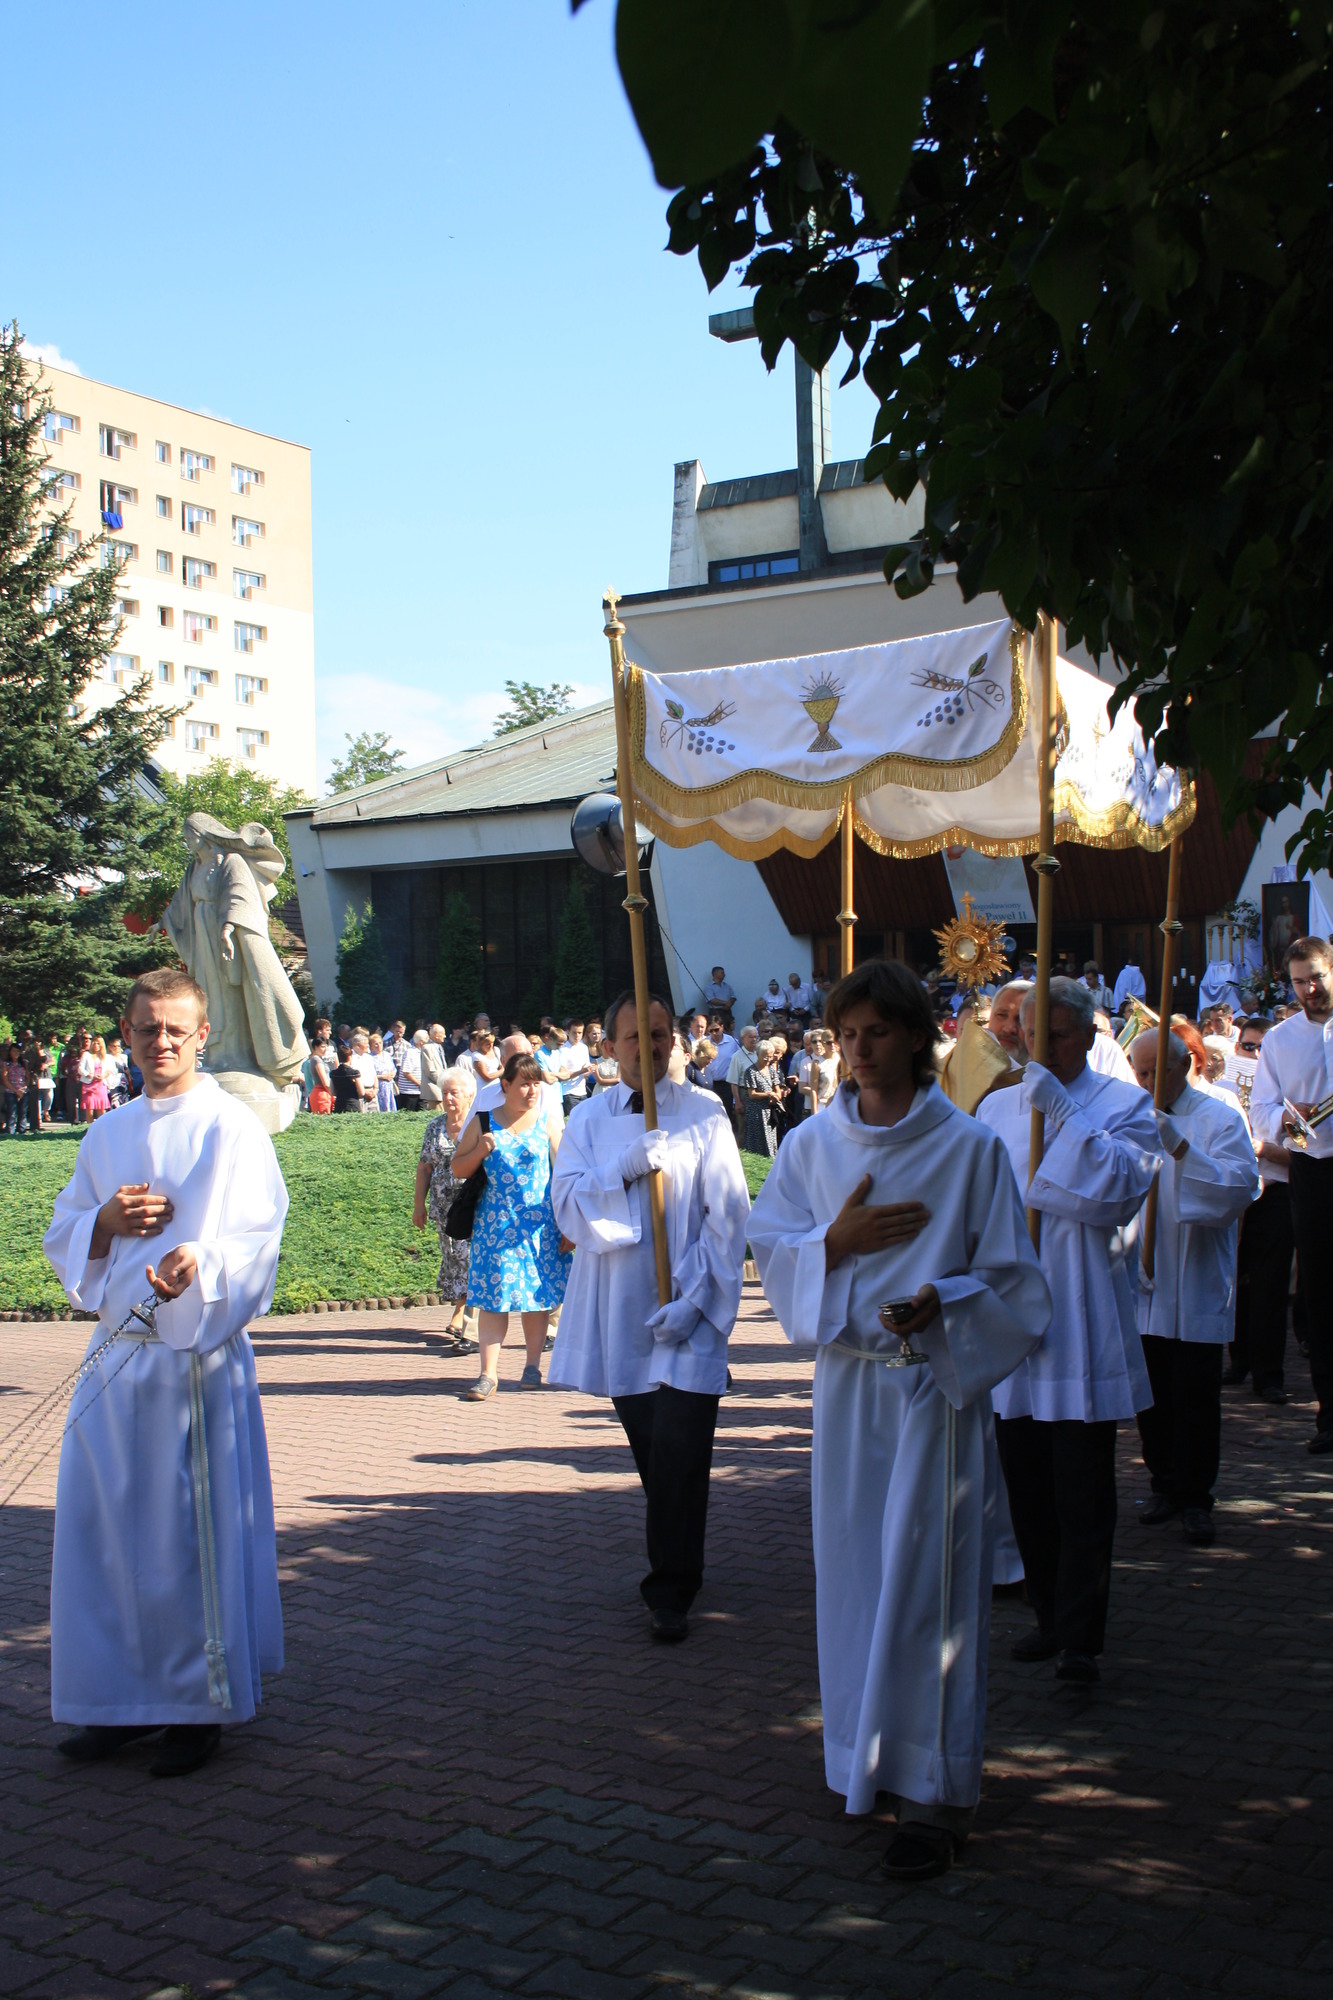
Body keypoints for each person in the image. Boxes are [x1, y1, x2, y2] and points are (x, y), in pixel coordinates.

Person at [749, 960, 1051, 1881]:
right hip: (848, 1391)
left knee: (931, 1586)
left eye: (876, 1032)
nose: (858, 1051)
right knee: (853, 1582)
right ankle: (863, 1760)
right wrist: (828, 1243)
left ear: (917, 1036)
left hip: (932, 1393)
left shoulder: (969, 1150)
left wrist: (942, 1303)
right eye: (846, 1036)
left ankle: (936, 1793)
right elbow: (771, 1245)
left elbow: (1014, 1285)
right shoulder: (811, 1145)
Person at [42, 966, 287, 1777]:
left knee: (187, 1537)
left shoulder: (231, 1129)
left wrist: (201, 1263)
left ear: (202, 1033)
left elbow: (258, 1238)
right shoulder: (105, 1133)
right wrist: (104, 1223)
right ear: (127, 1031)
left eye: (177, 1029)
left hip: (193, 1362)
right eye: (147, 1028)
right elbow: (65, 1230)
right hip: (115, 1361)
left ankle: (195, 1705)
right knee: (102, 1534)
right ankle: (115, 1702)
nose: (162, 1042)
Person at [549, 990, 750, 1642]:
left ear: (675, 1042)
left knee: (681, 1447)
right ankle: (678, 1551)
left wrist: (698, 1300)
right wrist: (623, 1167)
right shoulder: (587, 1119)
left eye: (660, 1033)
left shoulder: (705, 1112)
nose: (650, 1046)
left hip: (689, 1304)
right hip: (622, 1312)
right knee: (656, 1452)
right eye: (635, 1036)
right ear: (610, 1047)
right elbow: (566, 1205)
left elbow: (728, 1213)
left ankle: (670, 1588)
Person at [977, 976, 1161, 1683]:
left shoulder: (1123, 1104)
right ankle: (1048, 1614)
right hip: (1013, 1314)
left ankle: (1082, 1635)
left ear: (1087, 1034)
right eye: (1032, 1033)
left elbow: (1115, 1192)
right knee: (1026, 1484)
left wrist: (1063, 1113)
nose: (1043, 1046)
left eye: (1058, 1033)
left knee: (1081, 1489)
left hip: (1079, 1311)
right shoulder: (996, 1107)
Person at [1126, 1028, 1259, 1543]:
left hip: (1197, 1273)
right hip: (1148, 1274)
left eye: (1154, 1071)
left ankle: (1196, 1496)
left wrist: (1182, 1148)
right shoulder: (1132, 1115)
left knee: (1196, 1396)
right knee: (1153, 1393)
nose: (1145, 1082)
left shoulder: (1219, 1116)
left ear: (1183, 1067)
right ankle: (1163, 1482)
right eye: (1139, 1072)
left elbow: (1237, 1188)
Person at [1250, 936, 1333, 1453]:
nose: (1309, 990)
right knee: (1321, 1292)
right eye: (1300, 981)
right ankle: (1330, 1416)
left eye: (1317, 977)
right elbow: (1261, 1110)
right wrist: (1289, 1117)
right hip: (1314, 1171)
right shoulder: (1280, 1040)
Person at [451, 1051, 571, 1400]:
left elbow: (565, 1174)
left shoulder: (548, 1122)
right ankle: (487, 1374)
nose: (532, 1091)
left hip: (539, 1228)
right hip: (494, 1227)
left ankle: (532, 1366)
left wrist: (568, 1225)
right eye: (524, 1084)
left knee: (536, 1299)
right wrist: (479, 1151)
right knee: (493, 1300)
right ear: (505, 1085)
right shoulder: (483, 1122)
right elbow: (458, 1167)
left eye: (536, 1084)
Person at [1225, 1017, 1294, 1401]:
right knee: (1236, 1281)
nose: (1254, 1054)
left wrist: (1263, 1148)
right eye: (1248, 1047)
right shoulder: (1225, 1090)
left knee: (1270, 1286)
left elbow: (1305, 1157)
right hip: (1236, 1194)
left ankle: (1268, 1375)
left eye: (1262, 1048)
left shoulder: (1292, 1092)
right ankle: (1238, 1361)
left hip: (1275, 1193)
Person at [413, 1066, 477, 1342]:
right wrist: (419, 1205)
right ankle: (462, 1309)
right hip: (443, 1207)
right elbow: (425, 1167)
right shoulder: (434, 1127)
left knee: (467, 1256)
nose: (449, 1098)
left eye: (455, 1093)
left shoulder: (478, 1124)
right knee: (451, 1257)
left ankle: (462, 1314)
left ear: (469, 1095)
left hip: (472, 1205)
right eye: (445, 1092)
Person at [737, 1039, 781, 1157]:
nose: (768, 1059)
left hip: (769, 1112)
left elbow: (777, 1088)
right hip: (756, 1112)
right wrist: (769, 1094)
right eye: (765, 1056)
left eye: (770, 1056)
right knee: (756, 1142)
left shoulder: (771, 1069)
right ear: (757, 1054)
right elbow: (752, 1094)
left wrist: (777, 1095)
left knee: (771, 1141)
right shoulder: (751, 1071)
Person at [726, 1024, 759, 1122]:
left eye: (756, 1037)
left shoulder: (760, 1053)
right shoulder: (737, 1057)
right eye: (751, 1037)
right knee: (744, 1125)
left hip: (760, 1093)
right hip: (744, 1093)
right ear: (743, 1039)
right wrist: (737, 1102)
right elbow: (733, 1082)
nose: (754, 1039)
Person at [560, 1019, 592, 1107]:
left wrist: (589, 1070)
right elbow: (563, 1075)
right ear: (568, 1032)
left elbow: (586, 1071)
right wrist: (582, 1071)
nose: (577, 1036)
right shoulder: (563, 1049)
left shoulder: (584, 1047)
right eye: (574, 1033)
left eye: (580, 1033)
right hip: (568, 1092)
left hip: (582, 1092)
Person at [81, 1035, 111, 1123]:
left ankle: (101, 1126)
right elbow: (80, 1069)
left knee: (101, 1107)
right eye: (94, 1043)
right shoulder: (87, 1055)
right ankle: (90, 1126)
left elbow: (109, 1070)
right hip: (89, 1084)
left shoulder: (106, 1057)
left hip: (101, 1084)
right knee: (89, 1107)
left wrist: (103, 1076)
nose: (96, 1045)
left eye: (98, 1043)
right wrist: (90, 1075)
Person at [332, 1044, 369, 1113]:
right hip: (353, 1104)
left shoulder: (333, 1073)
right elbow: (361, 1092)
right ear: (349, 1057)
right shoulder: (354, 1073)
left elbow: (332, 1092)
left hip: (339, 1104)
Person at [419, 1024, 449, 1109]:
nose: (445, 1036)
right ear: (436, 1035)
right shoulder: (426, 1048)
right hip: (433, 1089)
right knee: (437, 1113)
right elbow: (429, 1070)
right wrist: (442, 1082)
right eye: (443, 1034)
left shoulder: (439, 1047)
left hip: (442, 1087)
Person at [303, 1039, 334, 1114]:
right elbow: (325, 1083)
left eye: (326, 1047)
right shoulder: (316, 1060)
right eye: (322, 1047)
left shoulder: (314, 1059)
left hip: (320, 1093)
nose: (325, 1049)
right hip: (321, 1093)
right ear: (315, 1047)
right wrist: (333, 1095)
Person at [369, 1032, 398, 1112]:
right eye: (375, 1044)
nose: (378, 1045)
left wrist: (392, 1074)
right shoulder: (370, 1057)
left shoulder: (387, 1055)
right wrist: (382, 1076)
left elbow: (394, 1068)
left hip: (389, 1086)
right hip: (379, 1087)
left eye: (380, 1043)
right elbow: (369, 1074)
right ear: (371, 1045)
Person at [397, 1030, 424, 1112]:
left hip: (419, 1092)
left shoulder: (422, 1052)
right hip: (409, 1092)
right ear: (421, 1041)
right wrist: (420, 1084)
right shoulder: (410, 1052)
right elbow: (406, 1072)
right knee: (408, 1114)